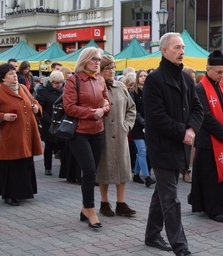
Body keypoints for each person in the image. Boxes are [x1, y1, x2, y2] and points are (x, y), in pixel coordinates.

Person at [143, 32, 203, 256]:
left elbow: (198, 110)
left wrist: (191, 130)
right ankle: (181, 247)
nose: (182, 51)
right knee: (171, 197)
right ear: (164, 50)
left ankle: (151, 234)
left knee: (162, 193)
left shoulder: (187, 80)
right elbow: (156, 117)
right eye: (177, 47)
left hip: (181, 145)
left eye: (183, 48)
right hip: (162, 147)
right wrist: (183, 132)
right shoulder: (154, 80)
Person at [63, 47, 110, 229]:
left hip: (98, 131)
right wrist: (93, 113)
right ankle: (90, 209)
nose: (97, 62)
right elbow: (70, 107)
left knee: (92, 172)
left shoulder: (100, 80)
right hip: (79, 132)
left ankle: (85, 208)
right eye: (93, 59)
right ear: (84, 60)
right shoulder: (73, 80)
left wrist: (103, 110)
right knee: (89, 171)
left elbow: (107, 102)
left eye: (99, 59)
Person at [189, 51, 223, 223]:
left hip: (222, 138)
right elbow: (205, 115)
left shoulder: (222, 87)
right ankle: (212, 209)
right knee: (209, 177)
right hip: (208, 140)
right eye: (218, 72)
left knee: (220, 175)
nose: (221, 75)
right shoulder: (200, 88)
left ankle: (219, 204)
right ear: (208, 69)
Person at [0, 63, 42, 206]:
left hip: (26, 133)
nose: (14, 75)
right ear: (2, 78)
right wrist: (3, 117)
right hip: (10, 135)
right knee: (11, 164)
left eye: (14, 73)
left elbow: (35, 102)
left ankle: (24, 192)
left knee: (24, 162)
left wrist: (36, 108)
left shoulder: (23, 88)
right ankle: (9, 194)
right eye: (10, 74)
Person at [96, 55, 137, 218]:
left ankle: (121, 203)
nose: (111, 71)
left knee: (122, 169)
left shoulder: (121, 87)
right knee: (104, 170)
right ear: (100, 70)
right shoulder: (96, 87)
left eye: (113, 68)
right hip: (102, 134)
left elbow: (131, 109)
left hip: (120, 135)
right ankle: (104, 202)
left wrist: (126, 126)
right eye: (107, 68)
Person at [35, 70, 65, 176]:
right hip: (48, 123)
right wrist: (49, 119)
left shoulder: (63, 91)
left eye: (60, 82)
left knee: (62, 144)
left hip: (60, 122)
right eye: (56, 83)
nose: (58, 85)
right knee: (49, 145)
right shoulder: (43, 92)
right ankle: (47, 167)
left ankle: (63, 166)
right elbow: (40, 109)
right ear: (51, 82)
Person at [130, 70, 154, 187]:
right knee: (142, 151)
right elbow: (134, 111)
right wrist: (144, 123)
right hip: (136, 126)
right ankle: (147, 177)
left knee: (142, 152)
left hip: (148, 125)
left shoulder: (150, 91)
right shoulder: (133, 92)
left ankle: (136, 174)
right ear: (137, 78)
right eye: (141, 76)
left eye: (145, 76)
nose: (144, 78)